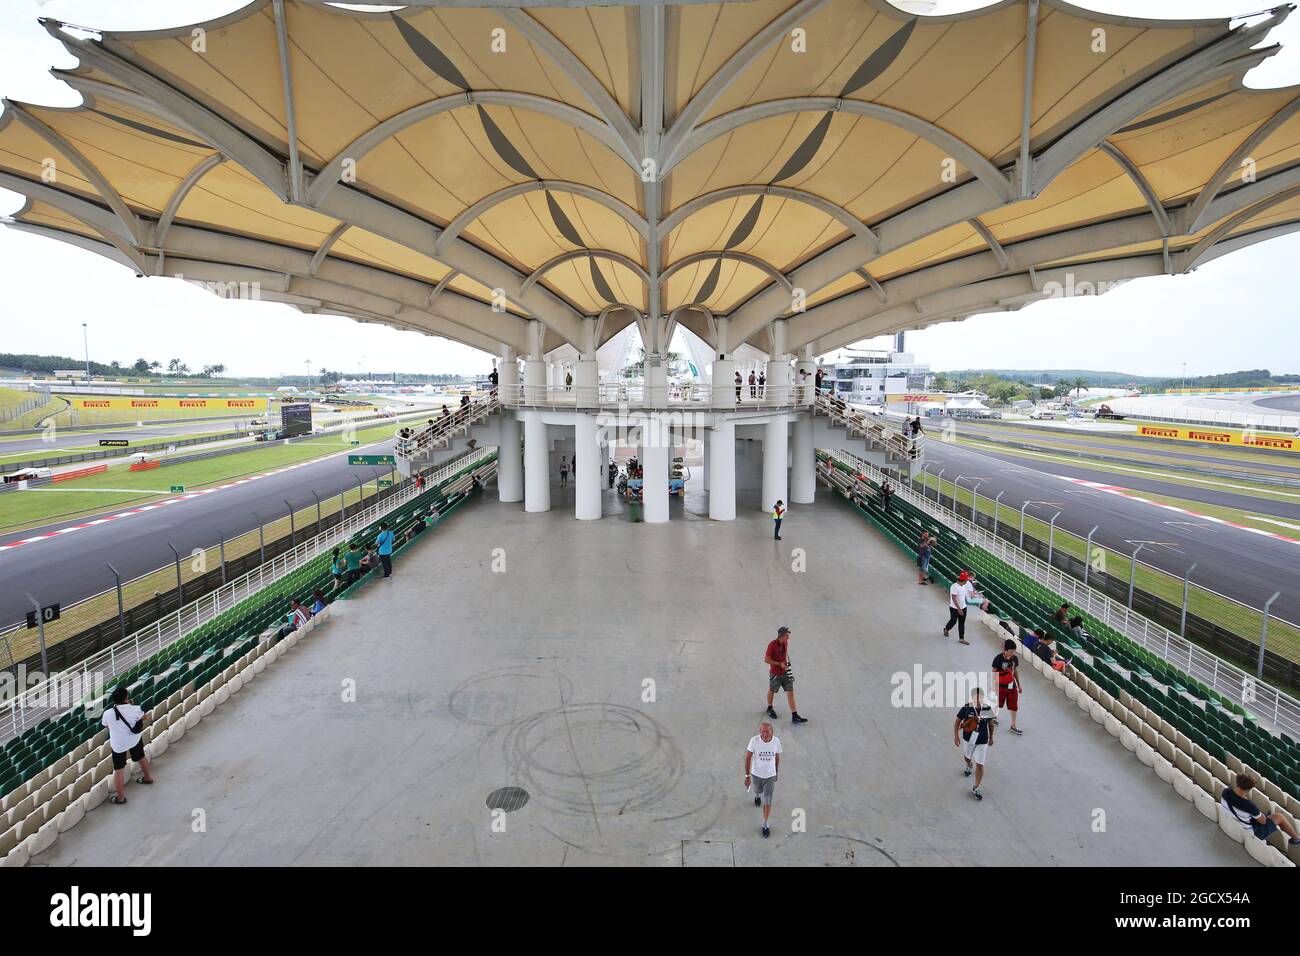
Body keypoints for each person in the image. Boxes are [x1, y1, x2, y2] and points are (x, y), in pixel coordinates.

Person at [102, 686, 154, 805]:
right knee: (141, 757)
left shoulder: (108, 713)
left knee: (119, 770)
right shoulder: (135, 709)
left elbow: (106, 726)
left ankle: (120, 798)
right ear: (126, 698)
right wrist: (131, 706)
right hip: (134, 740)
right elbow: (145, 717)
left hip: (118, 744)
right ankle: (147, 777)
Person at [1221, 774, 1300, 845]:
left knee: (1261, 815)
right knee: (1279, 817)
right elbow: (1263, 821)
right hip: (1251, 832)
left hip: (1233, 822)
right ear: (1249, 788)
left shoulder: (1226, 791)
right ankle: (1296, 838)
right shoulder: (1249, 805)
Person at [954, 687, 994, 801]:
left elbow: (991, 724)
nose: (979, 699)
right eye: (976, 697)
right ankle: (969, 765)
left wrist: (991, 737)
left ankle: (976, 787)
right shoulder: (967, 708)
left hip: (982, 740)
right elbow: (957, 721)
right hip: (969, 740)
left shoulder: (987, 709)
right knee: (967, 757)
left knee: (980, 764)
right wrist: (956, 736)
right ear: (972, 698)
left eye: (981, 697)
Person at [744, 722, 782, 839]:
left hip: (770, 776)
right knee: (757, 790)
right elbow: (748, 757)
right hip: (756, 774)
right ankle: (757, 796)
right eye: (762, 731)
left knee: (767, 801)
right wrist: (747, 776)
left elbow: (777, 756)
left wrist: (776, 771)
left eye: (767, 732)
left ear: (772, 732)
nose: (764, 734)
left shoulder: (776, 741)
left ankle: (765, 824)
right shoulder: (754, 741)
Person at [764, 626, 807, 723]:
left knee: (790, 692)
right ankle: (769, 708)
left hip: (785, 672)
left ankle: (794, 715)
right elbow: (766, 659)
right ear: (781, 636)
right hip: (775, 673)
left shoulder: (785, 643)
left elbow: (783, 655)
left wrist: (787, 667)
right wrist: (779, 664)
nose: (788, 637)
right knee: (772, 690)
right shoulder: (772, 645)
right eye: (787, 635)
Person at [991, 639, 1024, 735]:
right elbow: (993, 672)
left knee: (1014, 705)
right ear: (1006, 650)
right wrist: (993, 686)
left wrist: (1018, 685)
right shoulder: (998, 659)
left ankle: (1013, 725)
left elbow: (1015, 671)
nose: (1013, 652)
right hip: (1000, 685)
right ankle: (993, 717)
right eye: (1011, 650)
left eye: (1014, 650)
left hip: (1011, 685)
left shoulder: (1014, 659)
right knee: (998, 703)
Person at [944, 570, 974, 644]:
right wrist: (959, 609)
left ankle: (961, 638)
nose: (968, 580)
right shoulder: (954, 586)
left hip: (964, 607)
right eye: (967, 579)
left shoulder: (964, 585)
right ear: (964, 580)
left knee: (962, 623)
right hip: (954, 608)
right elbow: (953, 598)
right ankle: (946, 629)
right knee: (953, 621)